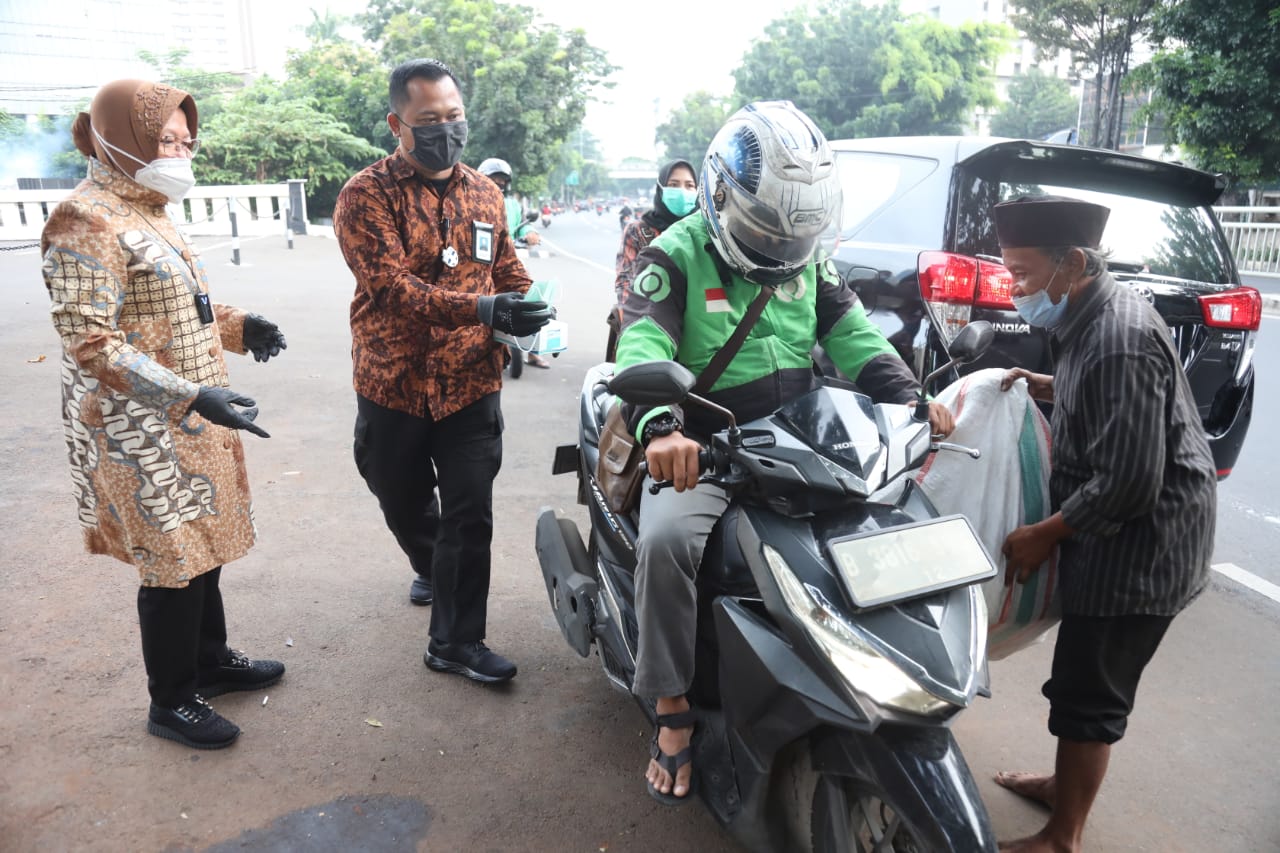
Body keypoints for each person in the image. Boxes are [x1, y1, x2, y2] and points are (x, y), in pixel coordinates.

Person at [613, 101, 955, 804]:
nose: (778, 249)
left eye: (791, 234)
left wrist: (913, 401)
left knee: (881, 521)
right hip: (705, 445)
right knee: (668, 540)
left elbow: (857, 338)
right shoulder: (671, 256)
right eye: (764, 230)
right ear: (720, 195)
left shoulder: (812, 262)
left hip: (804, 439)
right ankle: (673, 708)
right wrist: (661, 430)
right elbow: (642, 343)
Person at [40, 79, 288, 750]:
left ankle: (210, 660)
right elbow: (92, 339)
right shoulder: (83, 218)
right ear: (120, 137)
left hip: (193, 409)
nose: (179, 152)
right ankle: (171, 699)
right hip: (137, 429)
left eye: (184, 140)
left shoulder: (149, 206)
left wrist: (242, 327)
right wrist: (189, 395)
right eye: (164, 141)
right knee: (171, 558)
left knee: (201, 540)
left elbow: (172, 311)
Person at [992, 196, 1216, 853]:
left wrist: (1045, 533)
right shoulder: (1088, 318)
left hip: (1144, 545)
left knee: (1091, 690)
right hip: (1126, 529)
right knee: (1077, 675)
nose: (1016, 291)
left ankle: (1063, 834)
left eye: (1024, 274)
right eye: (1009, 273)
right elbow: (1094, 391)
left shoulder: (1120, 336)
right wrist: (1044, 383)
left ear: (1077, 264)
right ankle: (1064, 785)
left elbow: (1129, 483)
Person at [333, 58, 550, 683]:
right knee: (398, 495)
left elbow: (506, 270)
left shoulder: (486, 193)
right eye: (429, 120)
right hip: (392, 382)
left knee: (469, 513)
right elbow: (390, 288)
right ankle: (430, 562)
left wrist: (525, 309)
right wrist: (483, 308)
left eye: (454, 117)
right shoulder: (365, 194)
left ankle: (457, 641)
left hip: (469, 384)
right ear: (396, 124)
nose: (445, 131)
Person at [605, 158, 699, 361]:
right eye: (674, 185)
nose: (682, 191)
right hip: (648, 319)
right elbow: (625, 281)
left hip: (701, 324)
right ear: (661, 189)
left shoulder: (705, 232)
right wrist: (636, 324)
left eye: (689, 185)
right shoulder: (639, 231)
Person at [477, 157, 551, 369]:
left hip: (508, 260)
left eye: (502, 181)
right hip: (480, 264)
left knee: (532, 299)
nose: (498, 184)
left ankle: (534, 352)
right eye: (494, 179)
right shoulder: (470, 201)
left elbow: (522, 227)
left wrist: (530, 233)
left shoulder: (511, 205)